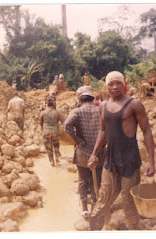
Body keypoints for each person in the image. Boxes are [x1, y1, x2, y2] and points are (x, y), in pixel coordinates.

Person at [88, 71, 156, 230]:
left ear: (124, 84)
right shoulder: (103, 106)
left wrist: (151, 161)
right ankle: (103, 226)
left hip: (129, 160)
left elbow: (147, 131)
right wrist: (94, 152)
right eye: (111, 84)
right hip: (110, 159)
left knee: (128, 198)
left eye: (118, 83)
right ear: (106, 87)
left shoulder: (134, 104)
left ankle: (132, 228)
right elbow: (103, 131)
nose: (115, 87)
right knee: (104, 195)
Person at [64, 89, 107, 219]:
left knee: (83, 180)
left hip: (83, 153)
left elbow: (66, 126)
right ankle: (94, 207)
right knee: (97, 180)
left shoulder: (77, 111)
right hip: (99, 154)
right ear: (92, 98)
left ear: (80, 100)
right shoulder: (100, 109)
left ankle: (84, 209)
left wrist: (77, 140)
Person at [40, 100, 65, 167]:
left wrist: (43, 129)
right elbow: (63, 121)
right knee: (56, 144)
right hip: (56, 132)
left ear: (47, 106)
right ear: (53, 106)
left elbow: (41, 122)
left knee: (48, 147)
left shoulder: (43, 112)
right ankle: (57, 156)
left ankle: (51, 161)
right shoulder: (57, 112)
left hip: (46, 132)